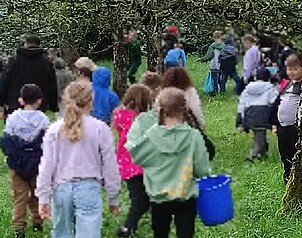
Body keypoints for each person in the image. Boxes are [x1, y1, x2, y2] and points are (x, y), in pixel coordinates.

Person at [36, 81, 120, 238]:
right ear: (91, 101)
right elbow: (109, 165)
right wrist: (113, 196)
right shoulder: (101, 128)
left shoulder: (54, 129)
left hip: (61, 188)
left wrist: (43, 197)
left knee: (61, 233)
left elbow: (46, 166)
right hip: (89, 188)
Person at [126, 87, 211, 238]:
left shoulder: (151, 135)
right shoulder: (194, 136)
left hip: (158, 195)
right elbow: (202, 169)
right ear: (184, 108)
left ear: (159, 108)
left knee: (160, 233)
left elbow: (137, 157)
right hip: (185, 194)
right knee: (186, 234)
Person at [0, 84, 51, 238]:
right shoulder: (43, 118)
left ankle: (19, 227)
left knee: (19, 196)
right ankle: (37, 221)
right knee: (37, 193)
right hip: (37, 163)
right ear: (39, 101)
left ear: (21, 100)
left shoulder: (13, 117)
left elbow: (6, 140)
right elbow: (48, 141)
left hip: (17, 164)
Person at [112, 84, 152, 237]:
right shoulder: (145, 119)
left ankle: (131, 226)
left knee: (139, 197)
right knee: (142, 200)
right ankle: (127, 227)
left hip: (126, 164)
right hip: (142, 163)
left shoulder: (120, 115)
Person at [0, 34, 58, 119]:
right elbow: (52, 85)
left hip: (15, 102)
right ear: (39, 44)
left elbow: (5, 80)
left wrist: (2, 101)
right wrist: (53, 104)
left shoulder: (14, 60)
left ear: (25, 44)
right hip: (38, 104)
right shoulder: (46, 63)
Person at [275, 52, 302, 182]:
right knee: (285, 155)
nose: (292, 72)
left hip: (296, 128)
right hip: (282, 127)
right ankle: (287, 178)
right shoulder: (285, 84)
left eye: (295, 69)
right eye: (289, 69)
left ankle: (297, 179)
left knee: (296, 155)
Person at [236, 67, 278, 161]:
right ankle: (252, 155)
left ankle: (263, 156)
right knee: (260, 137)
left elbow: (241, 105)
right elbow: (275, 103)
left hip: (249, 115)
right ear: (268, 77)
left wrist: (239, 121)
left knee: (258, 135)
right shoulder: (270, 88)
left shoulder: (247, 89)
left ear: (255, 77)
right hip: (263, 116)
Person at [201, 31, 227, 95]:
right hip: (222, 65)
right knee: (221, 79)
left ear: (214, 37)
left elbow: (209, 55)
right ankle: (222, 92)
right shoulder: (224, 46)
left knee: (215, 79)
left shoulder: (212, 46)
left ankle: (215, 92)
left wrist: (203, 59)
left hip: (214, 65)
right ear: (221, 37)